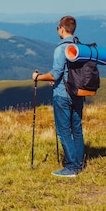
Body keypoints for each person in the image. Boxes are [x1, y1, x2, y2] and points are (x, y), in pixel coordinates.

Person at [32, 15, 85, 177]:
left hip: (62, 94)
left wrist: (38, 77)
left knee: (63, 131)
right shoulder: (79, 47)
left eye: (57, 28)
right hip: (78, 93)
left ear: (61, 28)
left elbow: (55, 73)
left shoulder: (61, 48)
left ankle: (71, 167)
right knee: (76, 129)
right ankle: (79, 163)